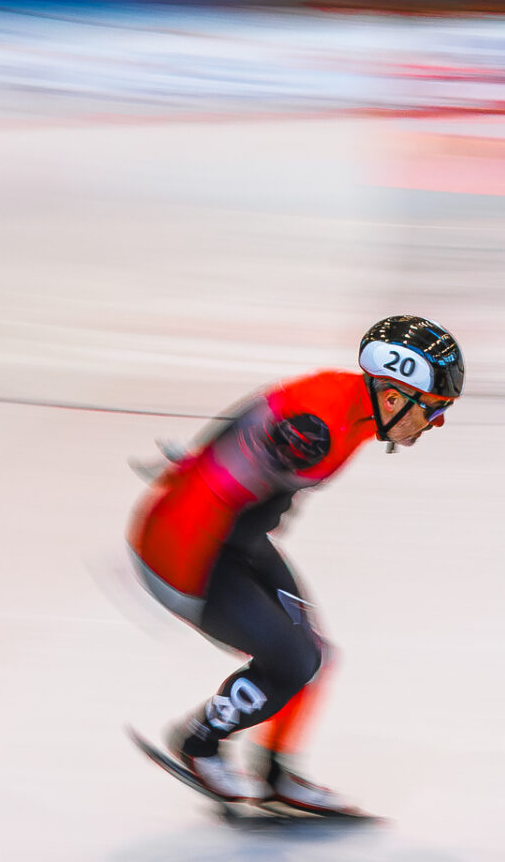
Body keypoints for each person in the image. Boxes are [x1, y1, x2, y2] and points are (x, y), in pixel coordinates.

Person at [128, 316, 465, 816]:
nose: (436, 423)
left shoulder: (353, 405)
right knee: (293, 661)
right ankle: (198, 742)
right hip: (185, 547)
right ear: (395, 397)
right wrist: (182, 547)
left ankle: (275, 773)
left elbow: (245, 436)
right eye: (434, 409)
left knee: (314, 654)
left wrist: (196, 461)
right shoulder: (318, 428)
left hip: (230, 537)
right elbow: (223, 485)